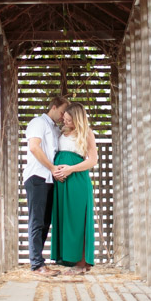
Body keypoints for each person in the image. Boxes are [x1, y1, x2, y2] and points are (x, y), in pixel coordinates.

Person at [23, 96, 69, 277]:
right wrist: (52, 168)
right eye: (62, 111)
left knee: (45, 222)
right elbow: (34, 147)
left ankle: (39, 263)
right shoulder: (38, 123)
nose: (63, 115)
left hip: (49, 179)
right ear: (54, 107)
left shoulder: (55, 129)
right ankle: (36, 265)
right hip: (37, 177)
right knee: (36, 221)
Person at [50, 102, 98, 274]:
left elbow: (92, 160)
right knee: (64, 218)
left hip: (77, 180)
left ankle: (80, 263)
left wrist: (69, 169)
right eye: (65, 119)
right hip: (62, 183)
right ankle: (66, 259)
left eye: (69, 120)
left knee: (78, 220)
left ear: (77, 119)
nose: (65, 122)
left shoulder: (87, 133)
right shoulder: (61, 132)